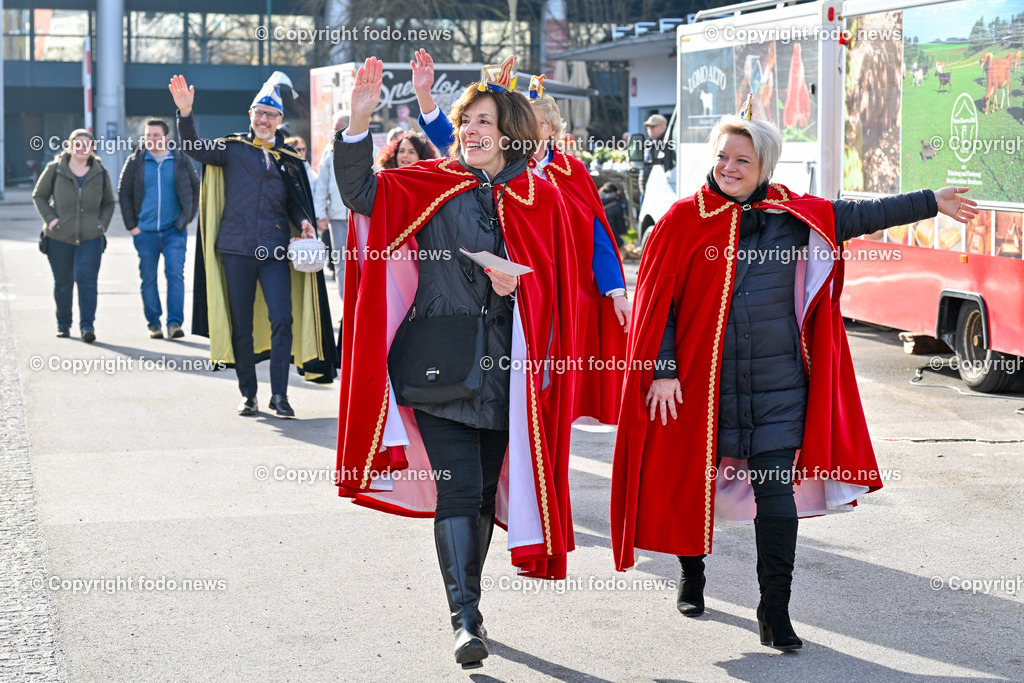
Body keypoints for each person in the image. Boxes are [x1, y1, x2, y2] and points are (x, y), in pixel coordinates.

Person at [610, 104, 978, 651]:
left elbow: (862, 214)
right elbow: (658, 305)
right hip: (702, 385)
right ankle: (692, 572)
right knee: (693, 483)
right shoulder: (683, 220)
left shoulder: (794, 215)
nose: (729, 167)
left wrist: (930, 201)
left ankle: (774, 609)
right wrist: (662, 370)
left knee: (776, 496)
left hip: (780, 386)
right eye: (723, 157)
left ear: (765, 166)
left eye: (743, 160)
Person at [334, 56, 579, 669]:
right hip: (438, 365)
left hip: (507, 374)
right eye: (466, 120)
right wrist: (358, 124)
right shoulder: (433, 182)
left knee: (481, 495)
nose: (470, 130)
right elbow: (362, 194)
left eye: (483, 121)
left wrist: (519, 288)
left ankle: (470, 602)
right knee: (459, 487)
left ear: (510, 132)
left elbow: (560, 288)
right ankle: (464, 618)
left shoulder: (542, 198)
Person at [410, 48, 629, 424]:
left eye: (535, 121)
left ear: (549, 128)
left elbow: (598, 235)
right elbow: (454, 137)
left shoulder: (571, 172)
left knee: (557, 364)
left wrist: (616, 291)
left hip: (561, 283)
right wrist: (425, 97)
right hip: (506, 286)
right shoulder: (502, 163)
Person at [170, 71, 338, 418]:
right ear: (250, 115)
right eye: (259, 113)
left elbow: (293, 201)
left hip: (275, 250)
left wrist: (304, 220)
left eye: (271, 115)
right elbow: (193, 147)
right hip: (236, 250)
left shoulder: (288, 158)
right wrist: (185, 113)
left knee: (282, 319)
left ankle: (280, 395)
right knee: (241, 326)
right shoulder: (232, 149)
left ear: (279, 119)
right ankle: (249, 394)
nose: (264, 120)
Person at [118, 118, 200, 339]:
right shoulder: (135, 162)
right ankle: (154, 323)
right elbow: (124, 194)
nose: (151, 139)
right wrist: (132, 226)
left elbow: (195, 188)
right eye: (148, 135)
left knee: (175, 276)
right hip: (145, 232)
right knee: (148, 279)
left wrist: (187, 219)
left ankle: (174, 324)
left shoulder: (180, 160)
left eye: (156, 135)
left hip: (174, 231)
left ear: (166, 137)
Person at [32, 129, 115, 342]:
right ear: (69, 146)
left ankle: (87, 326)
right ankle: (63, 324)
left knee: (88, 282)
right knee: (63, 283)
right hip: (59, 238)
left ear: (92, 148)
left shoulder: (100, 172)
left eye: (86, 144)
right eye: (77, 144)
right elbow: (39, 196)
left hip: (91, 238)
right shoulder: (55, 169)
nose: (81, 148)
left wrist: (102, 225)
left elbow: (108, 202)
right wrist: (52, 220)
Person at [313, 111, 350, 289]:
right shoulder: (328, 153)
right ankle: (345, 304)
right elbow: (322, 186)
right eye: (335, 129)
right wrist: (320, 214)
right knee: (341, 262)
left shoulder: (369, 149)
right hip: (337, 217)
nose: (336, 133)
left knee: (365, 260)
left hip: (363, 216)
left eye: (339, 129)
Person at [641, 113, 674, 195]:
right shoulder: (647, 142)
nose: (649, 129)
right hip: (645, 184)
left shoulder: (668, 144)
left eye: (653, 126)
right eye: (648, 127)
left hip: (659, 187)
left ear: (663, 127)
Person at [599, 182, 627, 250]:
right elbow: (620, 222)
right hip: (612, 235)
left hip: (597, 235)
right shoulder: (615, 204)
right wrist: (623, 232)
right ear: (614, 192)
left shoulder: (595, 200)